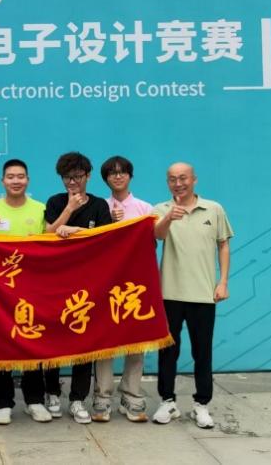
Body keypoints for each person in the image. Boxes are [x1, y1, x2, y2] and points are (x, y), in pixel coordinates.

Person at [151, 162, 232, 429]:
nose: (178, 183)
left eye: (183, 178)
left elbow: (223, 245)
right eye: (172, 179)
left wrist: (222, 282)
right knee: (168, 352)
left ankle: (201, 405)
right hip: (169, 293)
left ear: (194, 179)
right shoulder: (160, 209)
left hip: (203, 294)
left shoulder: (213, 209)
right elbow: (156, 236)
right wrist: (168, 218)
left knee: (202, 352)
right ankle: (167, 401)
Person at [44, 151, 113, 424]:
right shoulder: (55, 202)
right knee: (52, 340)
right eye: (67, 178)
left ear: (88, 176)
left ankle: (77, 399)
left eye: (77, 177)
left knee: (84, 342)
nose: (72, 182)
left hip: (88, 284)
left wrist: (76, 232)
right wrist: (69, 210)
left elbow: (106, 240)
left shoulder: (99, 205)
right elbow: (48, 234)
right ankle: (51, 393)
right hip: (56, 281)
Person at [0, 159, 53, 426]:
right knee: (1, 344)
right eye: (10, 176)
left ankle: (35, 400)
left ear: (28, 180)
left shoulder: (40, 209)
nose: (16, 181)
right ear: (2, 181)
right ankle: (3, 403)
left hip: (32, 288)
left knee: (32, 340)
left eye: (20, 176)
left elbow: (49, 244)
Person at [91, 155, 153, 423]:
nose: (117, 176)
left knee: (136, 340)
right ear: (105, 178)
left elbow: (150, 244)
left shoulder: (145, 208)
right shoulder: (99, 207)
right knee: (104, 341)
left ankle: (131, 394)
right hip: (106, 283)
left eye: (122, 172)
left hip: (136, 283)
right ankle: (102, 396)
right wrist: (110, 224)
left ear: (130, 176)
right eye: (112, 173)